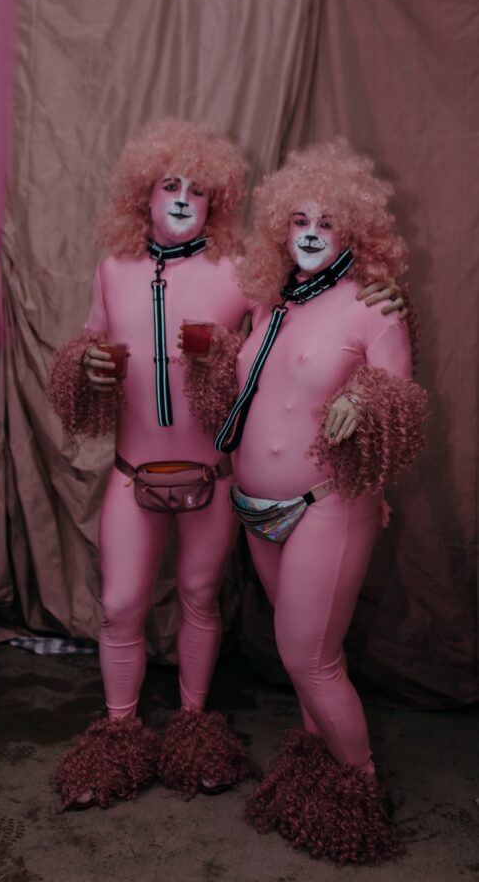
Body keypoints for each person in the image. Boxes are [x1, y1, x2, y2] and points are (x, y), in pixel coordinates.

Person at [47, 121, 404, 810]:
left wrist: (391, 298)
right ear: (142, 196)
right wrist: (83, 361)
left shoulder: (243, 272)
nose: (182, 198)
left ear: (216, 202)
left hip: (215, 479)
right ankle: (119, 734)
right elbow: (90, 339)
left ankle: (193, 727)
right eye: (168, 185)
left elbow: (322, 308)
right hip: (131, 472)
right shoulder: (110, 269)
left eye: (197, 189)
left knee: (201, 598)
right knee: (120, 605)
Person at [206, 139, 426, 863]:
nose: (307, 229)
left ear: (352, 231)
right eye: (296, 216)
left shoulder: (373, 305)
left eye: (325, 220)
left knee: (309, 656)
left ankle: (358, 792)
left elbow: (400, 395)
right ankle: (313, 764)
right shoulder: (272, 303)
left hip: (326, 502)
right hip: (255, 507)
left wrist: (364, 400)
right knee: (301, 651)